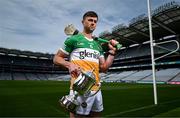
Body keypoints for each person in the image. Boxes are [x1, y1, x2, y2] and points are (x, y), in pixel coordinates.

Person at [53, 11, 119, 117]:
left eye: (95, 21)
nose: (93, 23)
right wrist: (69, 65)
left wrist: (112, 53)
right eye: (90, 20)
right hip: (80, 88)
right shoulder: (73, 39)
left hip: (97, 89)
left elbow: (104, 68)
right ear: (83, 22)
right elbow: (56, 58)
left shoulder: (98, 44)